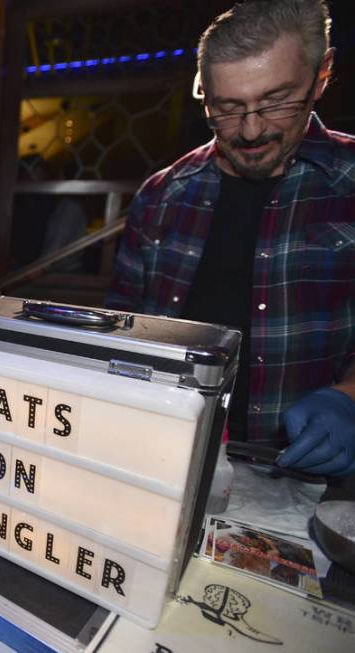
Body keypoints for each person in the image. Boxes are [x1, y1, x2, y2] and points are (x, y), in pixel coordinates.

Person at [106, 0, 354, 479]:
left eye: (277, 100)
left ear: (321, 75)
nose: (251, 129)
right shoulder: (161, 195)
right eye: (228, 108)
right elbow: (122, 330)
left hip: (310, 483)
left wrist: (347, 399)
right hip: (164, 461)